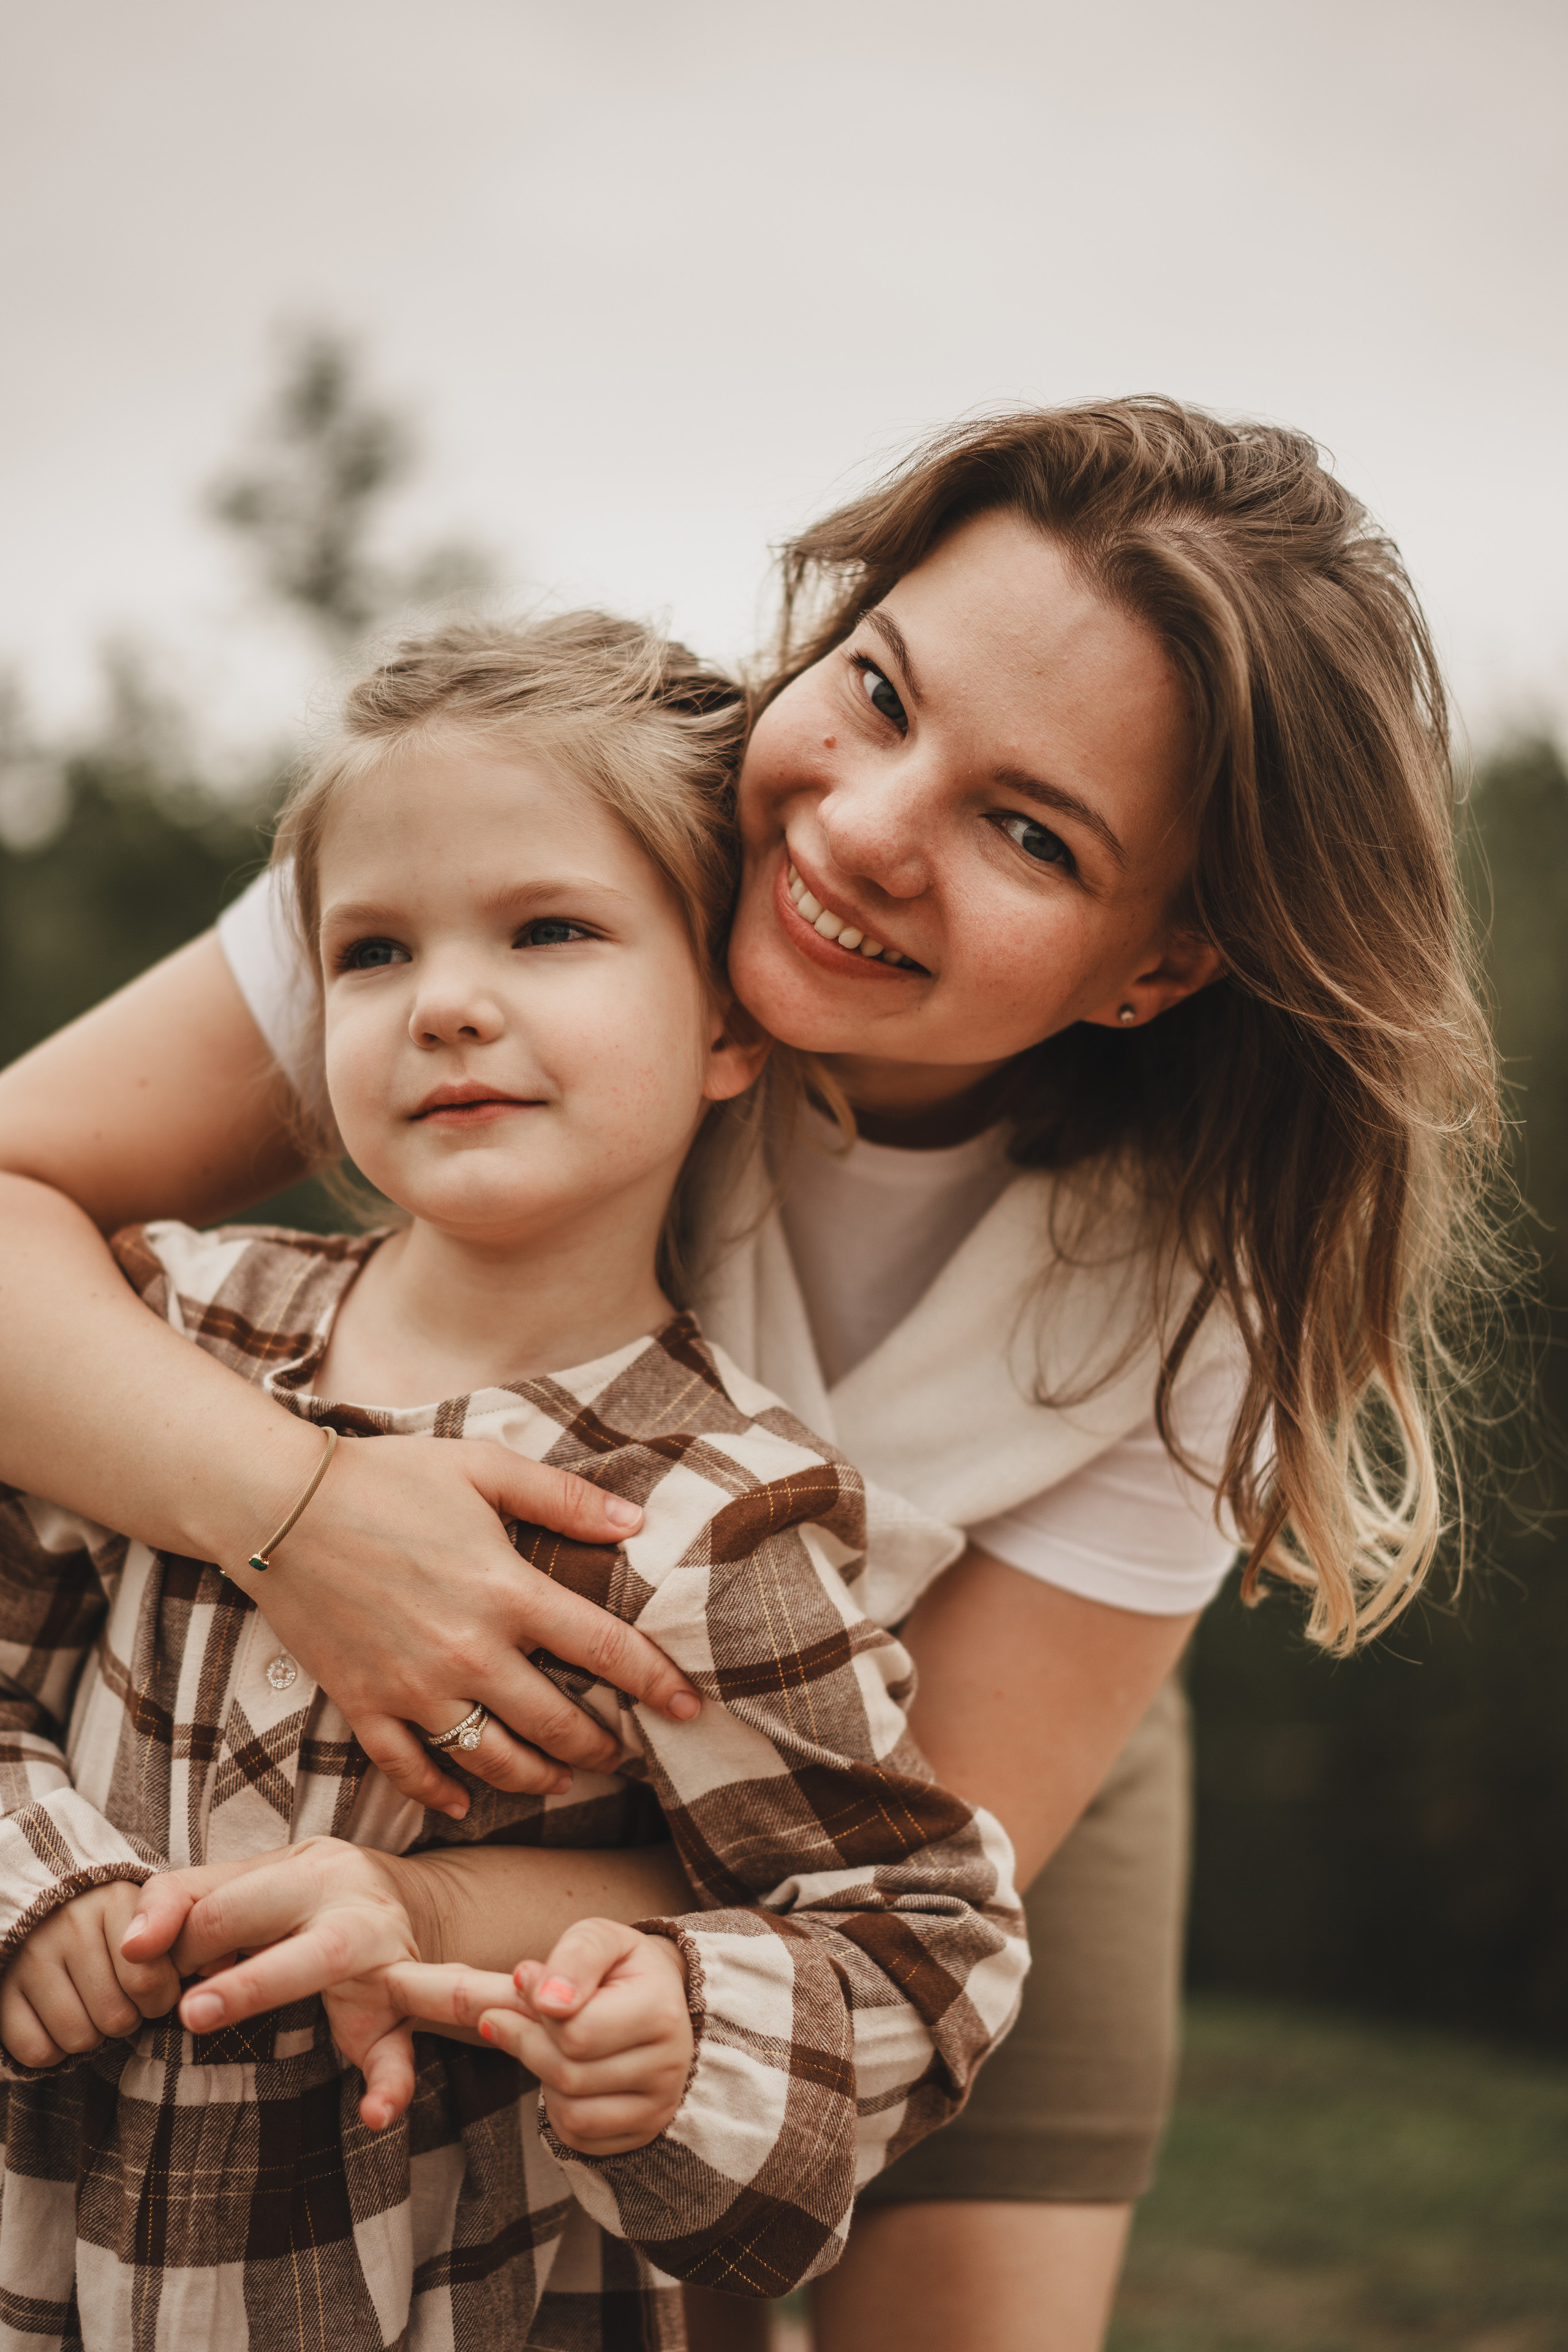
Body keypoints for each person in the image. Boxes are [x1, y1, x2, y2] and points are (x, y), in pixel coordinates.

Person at [0, 399, 1503, 2352]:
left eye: (1030, 830)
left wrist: (452, 1922)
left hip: (930, 1762)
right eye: (879, 692)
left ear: (1158, 965)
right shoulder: (541, 842)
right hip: (381, 1663)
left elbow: (898, 1887)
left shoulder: (1200, 1280)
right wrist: (305, 1519)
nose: (862, 829)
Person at [0, 615, 1027, 2351]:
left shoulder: (722, 1509)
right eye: (376, 950)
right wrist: (39, 1888)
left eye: (550, 931)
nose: (450, 999)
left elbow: (918, 1932)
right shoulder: (164, 1328)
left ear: (727, 1023)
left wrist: (684, 2022)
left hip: (463, 2288)